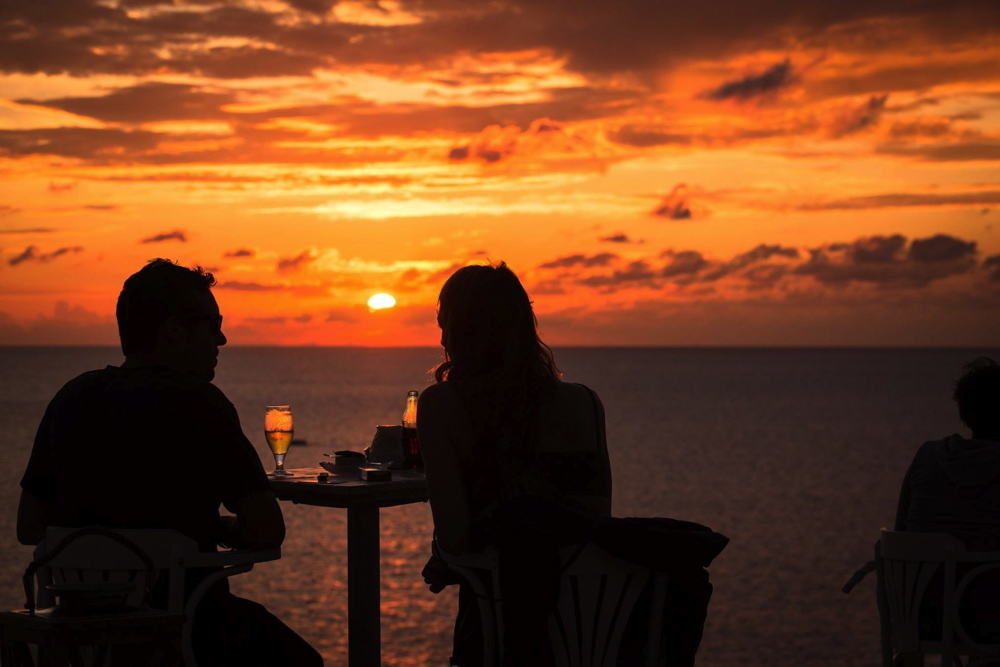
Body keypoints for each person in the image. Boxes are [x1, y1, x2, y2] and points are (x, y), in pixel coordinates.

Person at [16, 258, 323, 667]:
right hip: (185, 631)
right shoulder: (200, 405)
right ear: (175, 331)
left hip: (86, 643)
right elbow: (267, 530)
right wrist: (215, 528)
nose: (223, 339)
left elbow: (29, 526)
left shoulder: (71, 399)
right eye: (212, 326)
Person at [418, 263, 723, 667]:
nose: (441, 339)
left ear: (464, 331)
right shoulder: (584, 402)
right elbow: (594, 516)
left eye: (446, 325)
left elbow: (456, 538)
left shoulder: (442, 405)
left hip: (503, 633)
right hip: (594, 634)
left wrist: (442, 557)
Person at [894, 357, 1000, 643]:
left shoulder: (927, 456)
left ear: (963, 410)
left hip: (923, 618)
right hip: (987, 624)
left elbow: (900, 532)